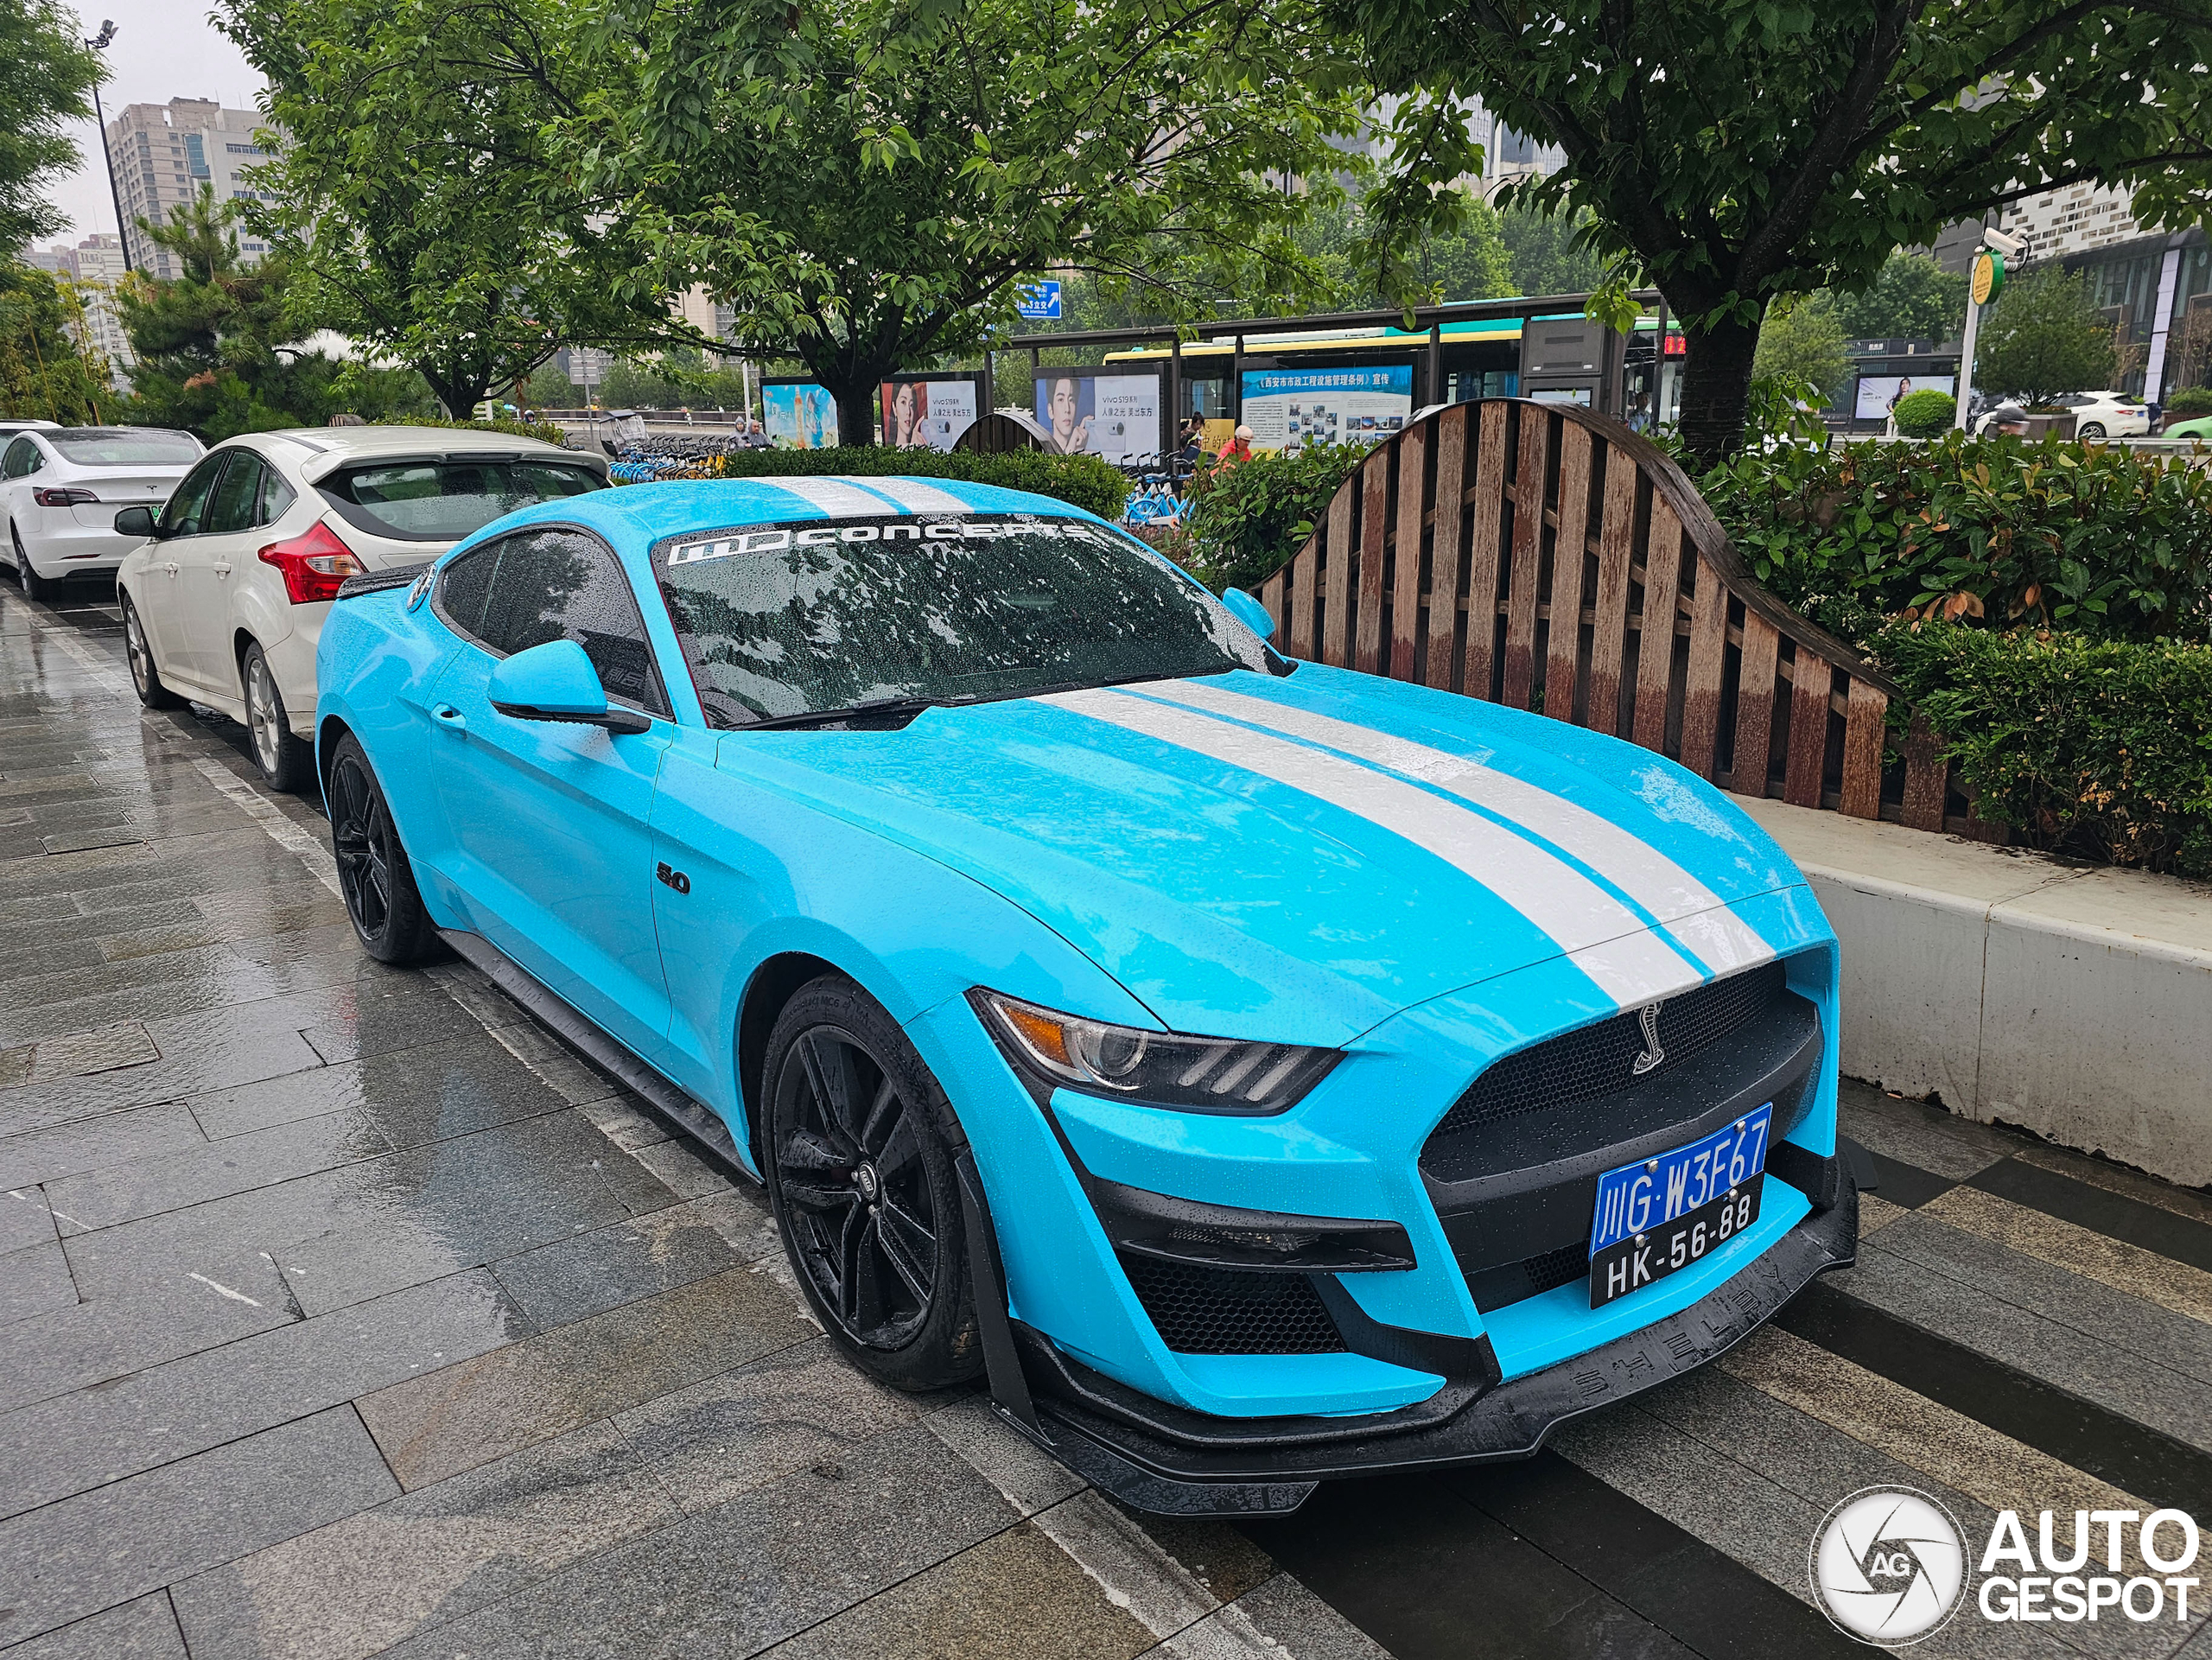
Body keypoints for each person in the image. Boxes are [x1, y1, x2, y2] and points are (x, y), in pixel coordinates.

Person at [1044, 376, 1092, 455]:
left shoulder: (1086, 451)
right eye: (1060, 400)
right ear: (1051, 411)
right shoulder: (1043, 452)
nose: (1067, 409)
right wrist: (1070, 450)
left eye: (1071, 400)